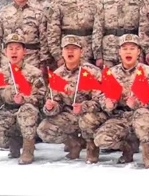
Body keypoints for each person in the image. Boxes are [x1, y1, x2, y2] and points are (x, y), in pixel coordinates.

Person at [93, 34, 149, 168]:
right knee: (101, 139)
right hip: (120, 115)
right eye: (124, 48)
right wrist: (107, 103)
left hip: (143, 114)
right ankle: (127, 147)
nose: (128, 52)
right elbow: (100, 94)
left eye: (132, 48)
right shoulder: (111, 73)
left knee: (142, 116)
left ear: (138, 51)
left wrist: (138, 103)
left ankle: (148, 154)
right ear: (119, 51)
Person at [37, 35, 107, 163]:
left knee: (88, 119)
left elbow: (101, 102)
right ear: (62, 52)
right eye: (67, 48)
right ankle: (74, 143)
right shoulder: (57, 75)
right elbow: (56, 103)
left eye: (74, 48)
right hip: (70, 114)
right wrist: (51, 107)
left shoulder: (92, 72)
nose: (70, 52)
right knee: (44, 129)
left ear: (81, 52)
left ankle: (92, 146)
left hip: (91, 114)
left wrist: (83, 107)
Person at [0, 33, 45, 165]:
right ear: (5, 52)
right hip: (7, 113)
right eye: (10, 48)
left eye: (18, 48)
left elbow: (41, 98)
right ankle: (14, 141)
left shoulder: (34, 73)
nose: (14, 52)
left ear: (24, 51)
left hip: (29, 112)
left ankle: (28, 148)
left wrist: (24, 99)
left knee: (27, 110)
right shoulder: (0, 73)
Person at [92, 0, 144, 68]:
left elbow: (143, 27)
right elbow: (98, 27)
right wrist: (98, 55)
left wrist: (142, 52)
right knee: (109, 78)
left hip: (131, 50)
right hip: (109, 50)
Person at [0, 0, 49, 69]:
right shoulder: (3, 13)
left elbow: (44, 40)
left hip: (32, 62)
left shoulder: (38, 13)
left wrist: (43, 63)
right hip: (8, 62)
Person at [48, 0, 100, 65]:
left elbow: (100, 29)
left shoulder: (98, 0)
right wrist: (58, 56)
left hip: (90, 53)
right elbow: (53, 31)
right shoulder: (59, 1)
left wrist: (98, 55)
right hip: (67, 52)